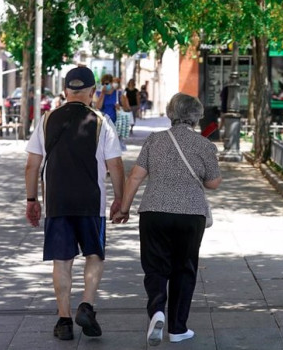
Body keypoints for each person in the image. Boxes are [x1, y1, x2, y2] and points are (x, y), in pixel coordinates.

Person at [25, 66, 125, 341]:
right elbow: (115, 165)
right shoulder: (101, 121)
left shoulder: (47, 120)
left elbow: (32, 166)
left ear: (66, 91)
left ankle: (64, 320)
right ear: (93, 92)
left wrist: (32, 199)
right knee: (94, 254)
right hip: (91, 202)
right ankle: (87, 305)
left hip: (57, 202)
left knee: (62, 260)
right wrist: (121, 200)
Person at [113, 93, 222, 346]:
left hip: (154, 212)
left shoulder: (154, 140)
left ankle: (157, 311)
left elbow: (135, 177)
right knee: (184, 269)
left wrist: (124, 208)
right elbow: (213, 183)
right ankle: (178, 328)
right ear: (196, 116)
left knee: (155, 267)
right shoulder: (205, 145)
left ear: (170, 113)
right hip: (190, 215)